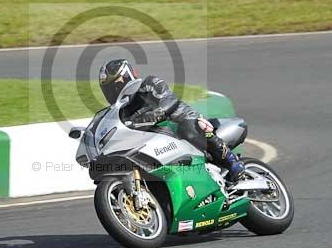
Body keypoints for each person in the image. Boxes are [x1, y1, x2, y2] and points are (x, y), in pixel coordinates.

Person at [98, 58, 246, 185]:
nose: (112, 91)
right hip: (159, 137)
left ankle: (232, 163)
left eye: (115, 85)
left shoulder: (149, 84)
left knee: (189, 128)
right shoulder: (122, 111)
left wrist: (157, 113)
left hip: (180, 120)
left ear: (126, 77)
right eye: (108, 89)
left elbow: (170, 100)